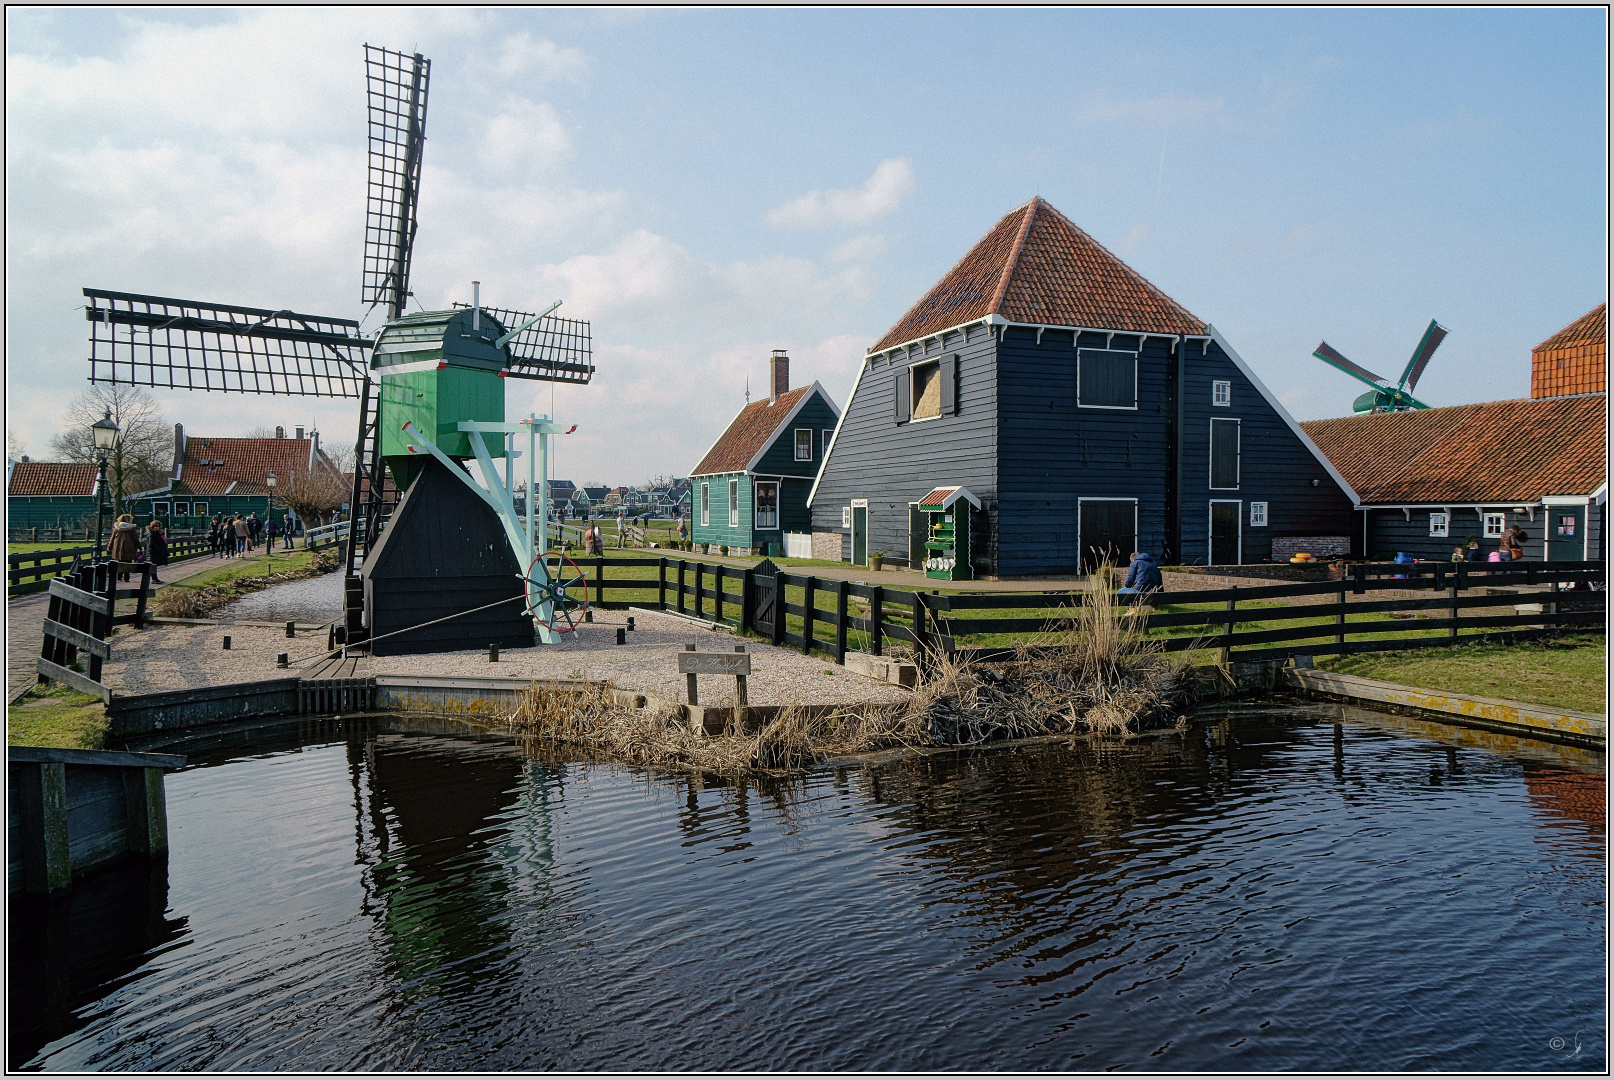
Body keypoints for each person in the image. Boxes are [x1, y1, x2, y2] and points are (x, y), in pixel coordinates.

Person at [108, 513, 141, 579]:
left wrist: (110, 547)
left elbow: (112, 538)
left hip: (118, 547)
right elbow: (135, 539)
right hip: (129, 547)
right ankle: (126, 577)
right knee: (128, 562)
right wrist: (139, 547)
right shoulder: (131, 528)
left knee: (120, 562)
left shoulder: (117, 528)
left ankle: (119, 576)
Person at [146, 519, 168, 584]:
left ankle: (155, 578)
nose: (157, 527)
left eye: (158, 526)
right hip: (153, 553)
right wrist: (158, 549)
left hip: (156, 552)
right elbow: (151, 544)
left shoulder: (158, 533)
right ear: (152, 527)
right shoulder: (152, 534)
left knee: (154, 566)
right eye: (155, 526)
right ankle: (154, 579)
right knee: (153, 566)